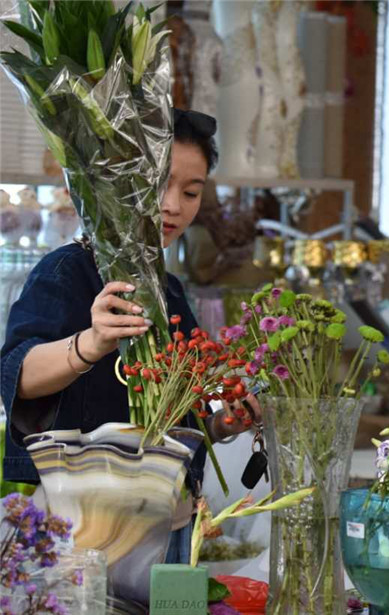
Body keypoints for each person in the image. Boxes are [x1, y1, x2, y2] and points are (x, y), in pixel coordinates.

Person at [0, 109, 259, 564]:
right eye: (159, 184)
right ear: (115, 180)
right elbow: (15, 376)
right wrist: (91, 343)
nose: (174, 205)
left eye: (191, 191)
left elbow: (179, 417)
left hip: (169, 523)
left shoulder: (171, 292)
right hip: (80, 531)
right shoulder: (67, 271)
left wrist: (221, 424)